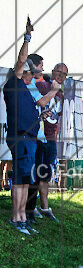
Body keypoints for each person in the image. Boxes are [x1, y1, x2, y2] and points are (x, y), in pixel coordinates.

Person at [4, 18, 59, 234]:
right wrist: (27, 38)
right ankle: (16, 219)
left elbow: (29, 114)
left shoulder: (27, 91)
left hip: (30, 138)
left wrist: (41, 115)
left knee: (26, 181)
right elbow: (21, 60)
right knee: (19, 181)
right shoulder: (14, 84)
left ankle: (23, 218)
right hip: (20, 138)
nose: (33, 76)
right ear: (22, 73)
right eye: (30, 73)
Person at [26, 61, 69, 223]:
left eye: (64, 74)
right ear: (52, 71)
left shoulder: (61, 95)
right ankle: (31, 207)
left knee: (45, 174)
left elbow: (57, 117)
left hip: (51, 138)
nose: (61, 76)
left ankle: (45, 207)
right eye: (58, 72)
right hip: (38, 136)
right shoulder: (42, 85)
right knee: (34, 173)